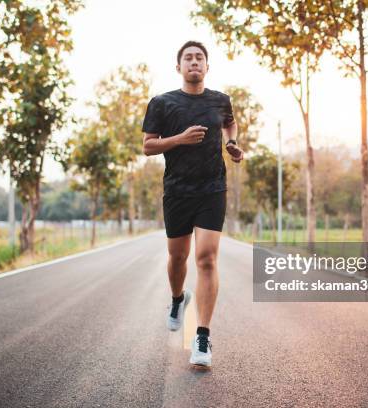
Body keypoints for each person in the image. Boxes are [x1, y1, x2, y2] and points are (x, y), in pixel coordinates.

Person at [141, 40, 244, 368]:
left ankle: (202, 335)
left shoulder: (220, 100)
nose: (194, 62)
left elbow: (230, 123)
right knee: (178, 257)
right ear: (179, 67)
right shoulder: (162, 103)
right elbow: (147, 146)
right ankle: (177, 298)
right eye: (188, 58)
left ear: (207, 66)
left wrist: (232, 142)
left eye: (200, 57)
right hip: (177, 190)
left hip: (212, 187)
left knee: (207, 259)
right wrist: (179, 140)